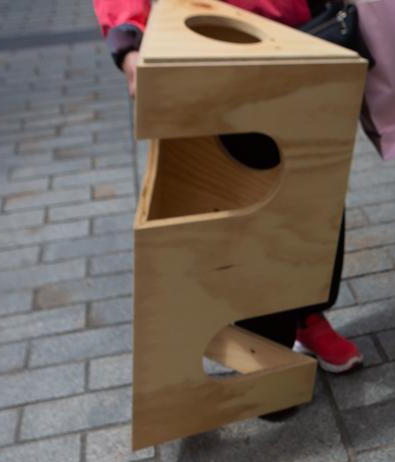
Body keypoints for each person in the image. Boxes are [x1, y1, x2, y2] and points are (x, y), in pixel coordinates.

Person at [95, 0, 364, 375]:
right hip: (215, 42)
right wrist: (129, 40)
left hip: (306, 34)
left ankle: (308, 315)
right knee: (244, 197)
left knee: (315, 183)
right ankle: (264, 339)